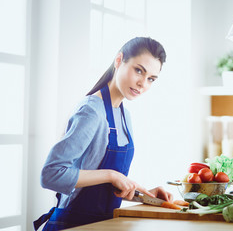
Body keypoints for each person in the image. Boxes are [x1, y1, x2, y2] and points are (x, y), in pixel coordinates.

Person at [34, 37, 172, 230]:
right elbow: (50, 175)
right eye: (138, 70)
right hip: (73, 225)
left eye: (151, 79)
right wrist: (110, 175)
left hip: (104, 225)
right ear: (119, 60)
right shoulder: (92, 111)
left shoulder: (124, 114)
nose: (143, 84)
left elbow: (107, 190)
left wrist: (146, 195)